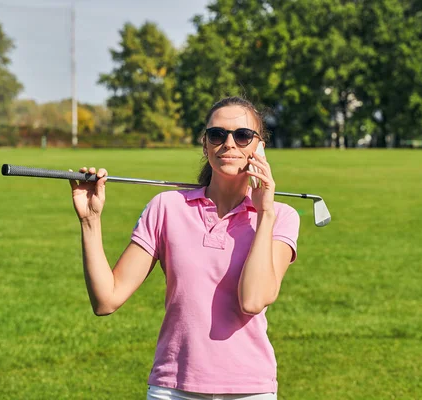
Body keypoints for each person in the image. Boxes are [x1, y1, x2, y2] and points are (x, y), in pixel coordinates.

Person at [69, 96, 300, 400]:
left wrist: (264, 212)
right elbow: (106, 300)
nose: (229, 143)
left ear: (259, 147)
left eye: (242, 135)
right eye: (217, 135)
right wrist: (90, 220)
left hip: (250, 390)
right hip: (173, 387)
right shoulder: (166, 207)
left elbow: (253, 300)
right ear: (206, 145)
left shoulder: (281, 216)